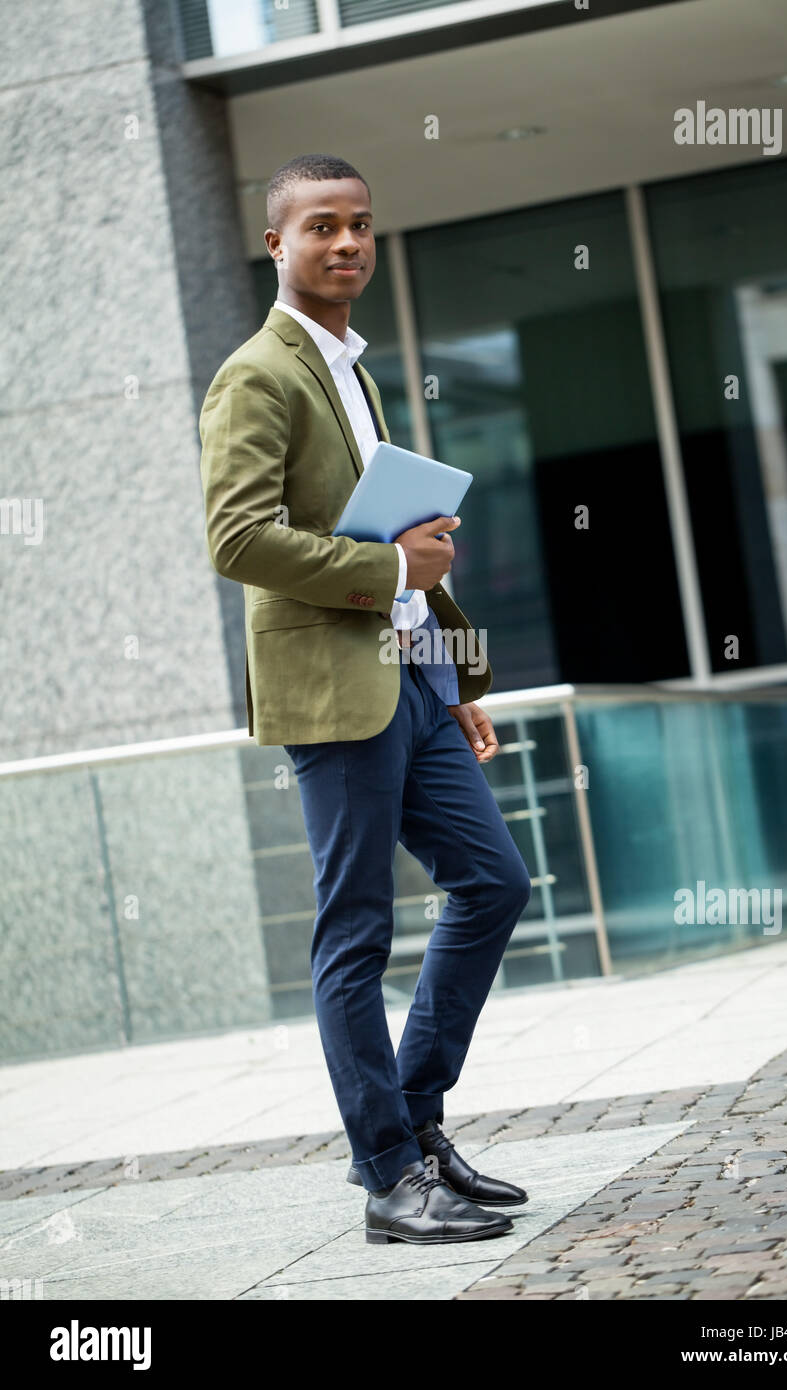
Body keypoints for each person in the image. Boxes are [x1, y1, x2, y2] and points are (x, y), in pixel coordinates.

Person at [199, 153, 533, 1246]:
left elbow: (397, 533)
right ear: (277, 245)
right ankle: (389, 1174)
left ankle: (413, 1122)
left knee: (492, 880)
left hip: (410, 686)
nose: (346, 244)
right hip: (332, 699)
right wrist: (391, 570)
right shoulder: (257, 373)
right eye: (322, 228)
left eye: (361, 227)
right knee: (355, 931)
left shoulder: (355, 369)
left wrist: (456, 674)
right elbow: (237, 537)